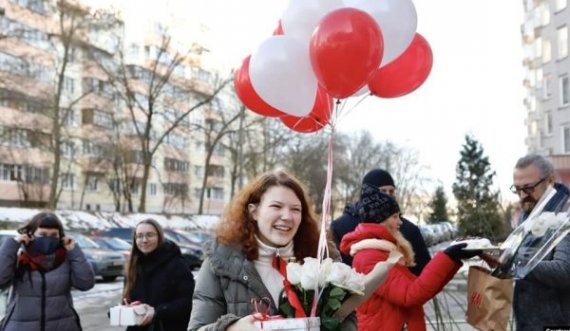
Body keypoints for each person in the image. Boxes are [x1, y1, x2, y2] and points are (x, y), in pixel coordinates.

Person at [188, 169, 357, 331]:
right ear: (254, 212)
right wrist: (229, 328)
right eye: (276, 206)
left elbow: (346, 320)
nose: (287, 216)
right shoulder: (220, 261)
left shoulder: (323, 258)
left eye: (295, 209)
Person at [340, 184, 480, 331]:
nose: (400, 222)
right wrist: (448, 256)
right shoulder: (369, 257)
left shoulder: (383, 252)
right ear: (380, 221)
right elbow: (410, 294)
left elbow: (422, 291)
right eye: (395, 217)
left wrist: (453, 259)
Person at [0, 212, 95, 331]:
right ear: (31, 234)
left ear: (60, 236)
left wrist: (74, 251)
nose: (48, 238)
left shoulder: (66, 259)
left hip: (63, 325)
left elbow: (86, 283)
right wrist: (12, 245)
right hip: (20, 326)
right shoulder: (21, 258)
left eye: (53, 235)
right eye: (43, 234)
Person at [508, 153, 570, 330]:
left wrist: (513, 260)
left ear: (550, 181)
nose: (522, 196)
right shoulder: (526, 214)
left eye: (528, 188)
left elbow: (564, 271)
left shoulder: (566, 215)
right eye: (517, 189)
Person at [331, 168, 431, 275]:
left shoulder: (409, 229)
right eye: (383, 191)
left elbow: (425, 272)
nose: (388, 195)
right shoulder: (340, 227)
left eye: (391, 191)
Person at [122, 219, 194, 331]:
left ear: (159, 237)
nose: (144, 240)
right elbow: (129, 299)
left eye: (149, 235)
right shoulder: (133, 266)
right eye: (139, 236)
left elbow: (188, 301)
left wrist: (157, 312)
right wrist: (126, 308)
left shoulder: (176, 264)